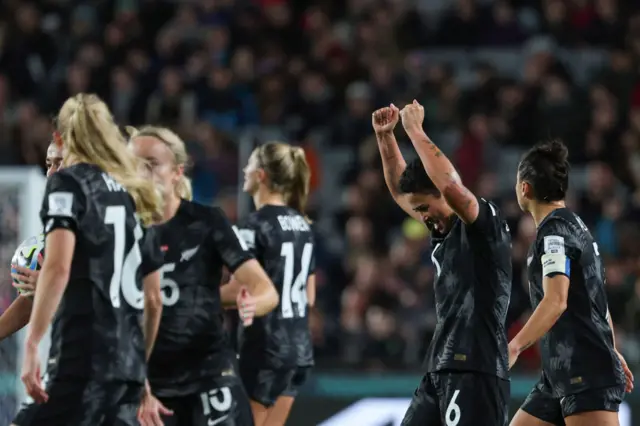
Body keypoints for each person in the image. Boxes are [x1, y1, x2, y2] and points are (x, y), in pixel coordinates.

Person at [15, 93, 165, 426]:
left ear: (60, 138)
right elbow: (154, 298)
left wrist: (32, 344)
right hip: (126, 368)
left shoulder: (68, 184)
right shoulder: (136, 193)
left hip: (82, 359)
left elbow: (57, 268)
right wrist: (139, 367)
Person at [372, 101, 512, 426]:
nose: (422, 217)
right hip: (440, 367)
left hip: (477, 367)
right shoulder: (443, 229)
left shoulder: (483, 224)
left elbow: (451, 186)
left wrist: (415, 131)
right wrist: (385, 137)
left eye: (424, 207)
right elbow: (400, 192)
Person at [128, 126, 279, 426]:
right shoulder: (119, 229)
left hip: (210, 375)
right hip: (150, 384)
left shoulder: (206, 222)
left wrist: (254, 303)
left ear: (176, 172)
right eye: (135, 165)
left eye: (153, 164)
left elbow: (264, 288)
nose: (143, 173)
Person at [509, 140, 634, 426]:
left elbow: (556, 300)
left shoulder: (554, 233)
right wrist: (611, 347)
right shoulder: (576, 226)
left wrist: (514, 346)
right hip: (560, 374)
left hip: (585, 370)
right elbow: (594, 298)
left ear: (525, 188)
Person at [223, 142, 316, 426]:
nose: (243, 170)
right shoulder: (303, 226)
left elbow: (239, 290)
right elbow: (309, 297)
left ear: (261, 175)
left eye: (249, 165)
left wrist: (191, 298)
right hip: (299, 348)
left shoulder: (252, 227)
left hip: (264, 347)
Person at [0, 135, 63, 341]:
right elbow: (31, 300)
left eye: (60, 163)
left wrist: (50, 287)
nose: (52, 172)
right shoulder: (61, 223)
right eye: (48, 164)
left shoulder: (102, 221)